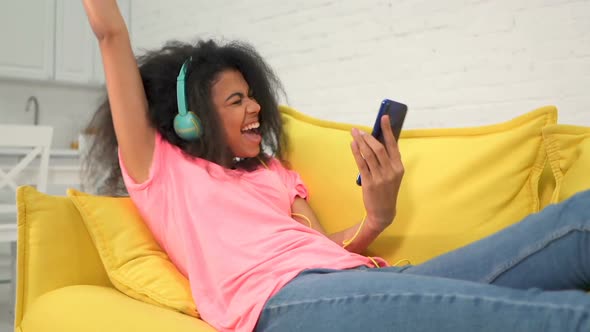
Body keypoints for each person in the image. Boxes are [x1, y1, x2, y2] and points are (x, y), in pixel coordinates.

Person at [81, 1, 590, 331]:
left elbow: (323, 248)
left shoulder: (275, 173)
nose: (255, 108)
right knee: (550, 318)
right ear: (191, 120)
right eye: (236, 100)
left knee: (576, 222)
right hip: (282, 300)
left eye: (252, 96)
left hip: (359, 279)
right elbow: (111, 37)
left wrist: (377, 215)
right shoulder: (162, 171)